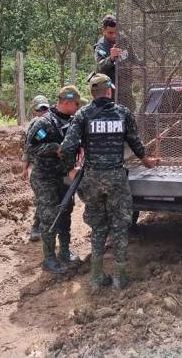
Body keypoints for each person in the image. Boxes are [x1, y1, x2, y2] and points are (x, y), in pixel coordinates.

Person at [60, 73, 159, 290]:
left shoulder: (83, 114)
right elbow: (134, 141)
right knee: (121, 225)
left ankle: (96, 277)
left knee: (98, 226)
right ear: (110, 91)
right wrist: (146, 160)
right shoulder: (122, 113)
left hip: (92, 178)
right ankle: (121, 278)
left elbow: (67, 146)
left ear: (92, 93)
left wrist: (70, 169)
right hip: (116, 177)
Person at [25, 85, 87, 275]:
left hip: (64, 177)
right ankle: (49, 259)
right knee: (49, 216)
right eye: (76, 104)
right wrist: (55, 148)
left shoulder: (73, 121)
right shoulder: (44, 123)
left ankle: (65, 251)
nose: (78, 107)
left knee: (65, 212)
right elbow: (31, 148)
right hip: (45, 178)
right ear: (66, 102)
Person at [93, 13, 139, 112]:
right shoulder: (101, 46)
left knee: (129, 113)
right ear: (103, 31)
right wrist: (111, 58)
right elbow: (98, 68)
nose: (114, 35)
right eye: (110, 33)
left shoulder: (124, 40)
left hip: (126, 88)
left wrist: (142, 63)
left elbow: (133, 57)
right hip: (110, 90)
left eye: (116, 32)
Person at [22, 94, 50, 242]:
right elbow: (29, 147)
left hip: (54, 169)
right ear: (35, 110)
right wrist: (25, 168)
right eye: (40, 109)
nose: (43, 111)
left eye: (45, 108)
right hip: (40, 169)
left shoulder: (53, 121)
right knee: (43, 200)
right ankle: (36, 227)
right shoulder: (37, 125)